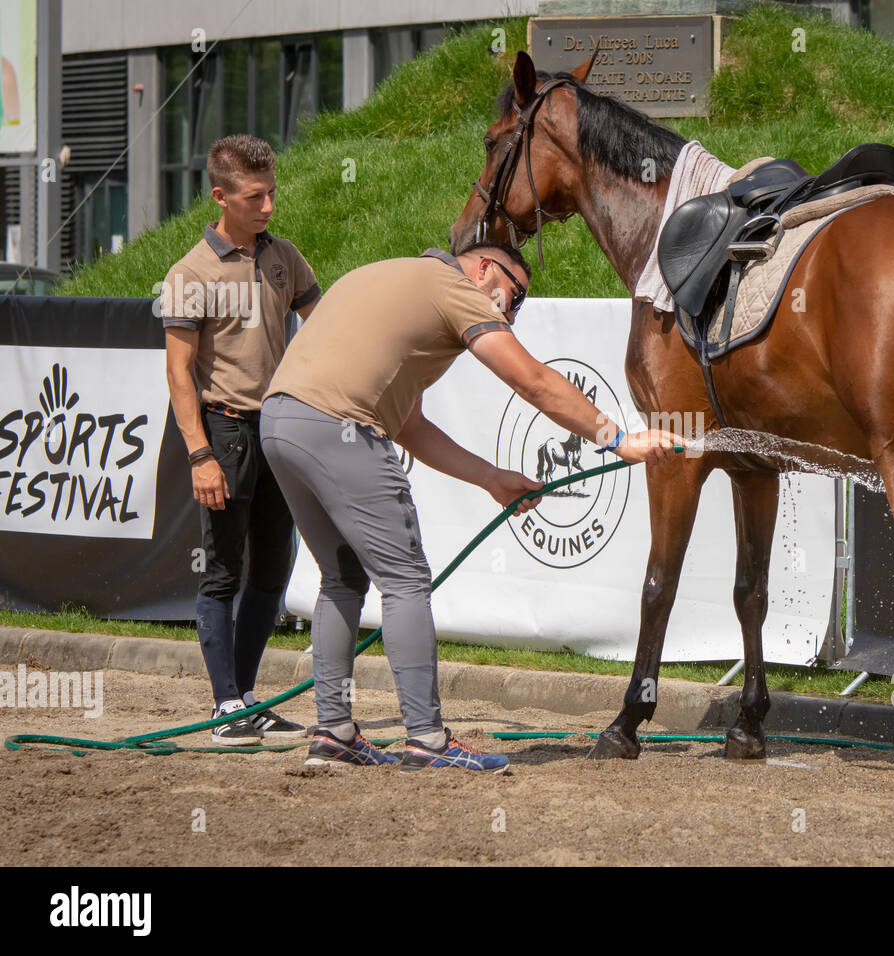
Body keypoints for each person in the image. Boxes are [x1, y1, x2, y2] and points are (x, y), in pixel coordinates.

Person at [259, 244, 685, 772]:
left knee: (343, 578)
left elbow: (409, 427)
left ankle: (334, 732)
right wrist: (618, 439)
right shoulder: (453, 287)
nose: (513, 309)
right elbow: (531, 380)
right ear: (485, 269)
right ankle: (427, 740)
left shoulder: (396, 278)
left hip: (279, 423)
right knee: (406, 579)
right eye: (516, 292)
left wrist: (490, 478)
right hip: (336, 425)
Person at [160, 134, 321, 744]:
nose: (270, 207)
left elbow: (321, 318)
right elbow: (179, 373)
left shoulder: (285, 257)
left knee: (272, 573)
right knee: (222, 573)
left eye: (273, 193)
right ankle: (224, 705)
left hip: (278, 426)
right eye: (257, 196)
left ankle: (245, 696)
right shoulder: (188, 273)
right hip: (223, 433)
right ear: (221, 196)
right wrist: (200, 453)